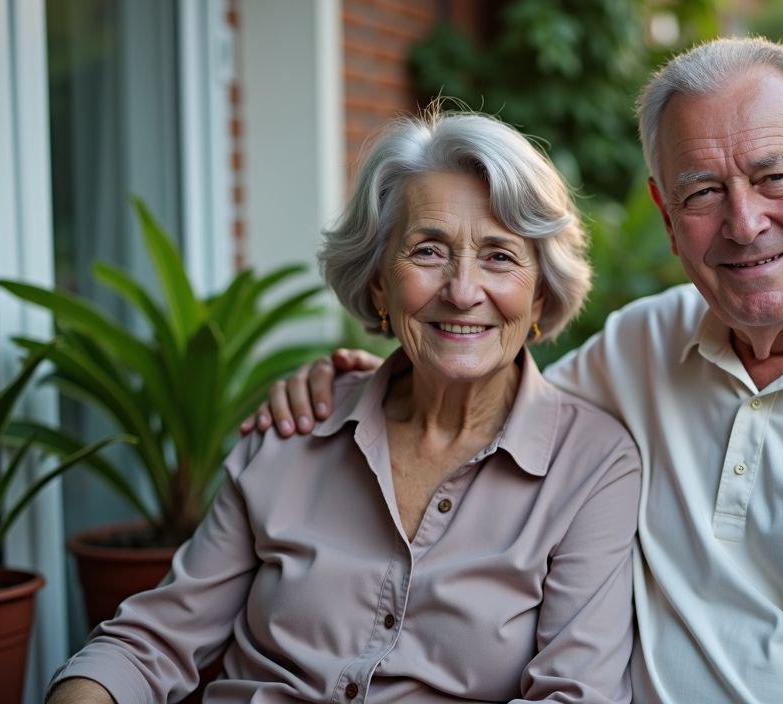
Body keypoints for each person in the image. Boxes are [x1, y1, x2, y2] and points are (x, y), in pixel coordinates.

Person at [251, 38, 783, 702]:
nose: (744, 224)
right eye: (703, 191)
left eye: (775, 177)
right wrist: (362, 383)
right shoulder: (639, 349)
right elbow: (484, 391)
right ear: (668, 218)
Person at [47, 111, 641, 703]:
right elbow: (150, 643)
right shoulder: (293, 428)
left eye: (500, 257)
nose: (462, 292)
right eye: (428, 251)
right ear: (380, 283)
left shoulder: (591, 465)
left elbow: (574, 695)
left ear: (540, 293)